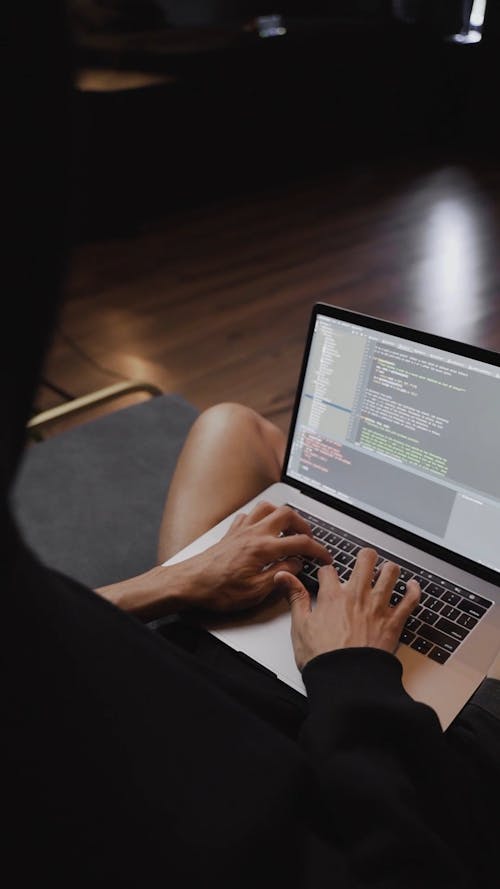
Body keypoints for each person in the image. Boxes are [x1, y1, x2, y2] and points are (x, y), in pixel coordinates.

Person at [3, 3, 499, 887]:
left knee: (234, 423)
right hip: (338, 725)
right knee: (461, 589)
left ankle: (337, 523)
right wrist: (351, 671)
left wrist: (173, 585)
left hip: (189, 651)